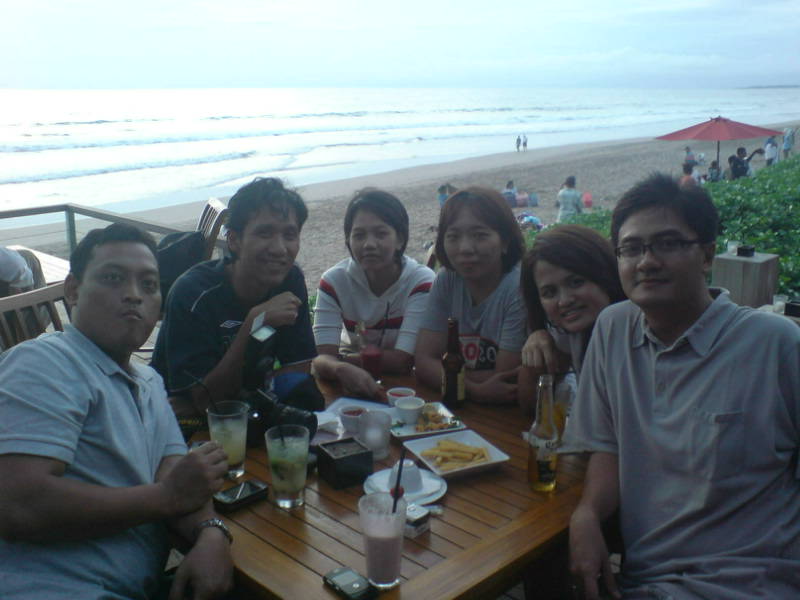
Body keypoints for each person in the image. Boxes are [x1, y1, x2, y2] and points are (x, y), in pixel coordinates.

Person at [567, 173, 800, 599]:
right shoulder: (612, 329)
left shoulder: (775, 344)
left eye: (668, 243)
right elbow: (608, 446)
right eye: (631, 248)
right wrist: (587, 513)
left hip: (755, 582)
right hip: (646, 581)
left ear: (707, 254)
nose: (646, 261)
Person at [0, 223, 233, 599]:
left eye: (149, 284)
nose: (134, 295)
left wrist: (211, 534)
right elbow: (18, 505)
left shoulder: (149, 381)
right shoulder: (45, 362)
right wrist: (165, 498)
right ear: (73, 291)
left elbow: (177, 474)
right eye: (113, 278)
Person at [152, 177, 316, 415]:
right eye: (264, 233)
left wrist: (253, 392)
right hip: (178, 422)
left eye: (289, 235)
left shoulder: (289, 280)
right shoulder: (194, 294)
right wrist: (253, 324)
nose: (280, 249)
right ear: (234, 240)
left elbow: (297, 370)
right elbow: (206, 401)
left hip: (248, 412)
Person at [313, 189, 434, 400]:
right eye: (359, 235)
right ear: (348, 241)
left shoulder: (420, 282)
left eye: (381, 233)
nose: (369, 244)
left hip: (407, 390)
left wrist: (338, 361)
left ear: (400, 239)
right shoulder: (334, 282)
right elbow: (321, 357)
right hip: (351, 386)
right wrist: (337, 366)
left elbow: (403, 361)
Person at [414, 186, 527, 404]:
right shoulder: (447, 279)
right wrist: (475, 390)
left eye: (480, 235)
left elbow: (504, 377)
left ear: (505, 241)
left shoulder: (517, 288)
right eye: (453, 236)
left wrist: (443, 372)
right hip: (461, 404)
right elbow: (424, 361)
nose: (465, 248)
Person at [517, 225, 625, 412]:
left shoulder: (637, 331)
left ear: (605, 274)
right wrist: (537, 343)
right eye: (549, 292)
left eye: (576, 282)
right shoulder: (570, 333)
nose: (564, 301)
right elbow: (531, 405)